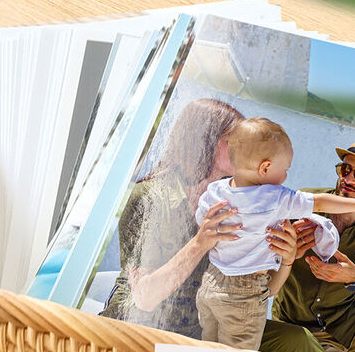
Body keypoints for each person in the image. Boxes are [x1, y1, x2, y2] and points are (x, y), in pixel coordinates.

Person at [193, 119, 355, 349]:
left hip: (210, 284)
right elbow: (321, 202)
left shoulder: (217, 190)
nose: (285, 178)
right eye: (284, 170)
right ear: (265, 168)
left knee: (208, 350)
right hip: (244, 295)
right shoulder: (276, 198)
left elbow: (202, 219)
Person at [98, 98, 245, 338]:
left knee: (293, 341)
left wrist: (287, 259)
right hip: (133, 333)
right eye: (233, 141)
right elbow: (145, 298)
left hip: (193, 335)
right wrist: (200, 243)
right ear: (202, 140)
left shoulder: (230, 204)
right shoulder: (149, 197)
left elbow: (250, 290)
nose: (244, 150)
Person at [261, 134, 355, 352]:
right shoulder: (304, 202)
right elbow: (262, 275)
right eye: (345, 170)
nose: (348, 179)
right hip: (295, 325)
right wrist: (288, 257)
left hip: (349, 323)